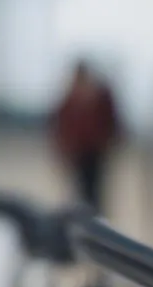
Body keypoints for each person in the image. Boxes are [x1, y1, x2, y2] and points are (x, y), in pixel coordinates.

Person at [51, 60, 120, 212]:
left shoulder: (100, 96)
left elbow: (111, 123)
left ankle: (94, 221)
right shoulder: (70, 99)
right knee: (79, 191)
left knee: (95, 192)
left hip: (95, 152)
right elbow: (62, 126)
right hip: (77, 153)